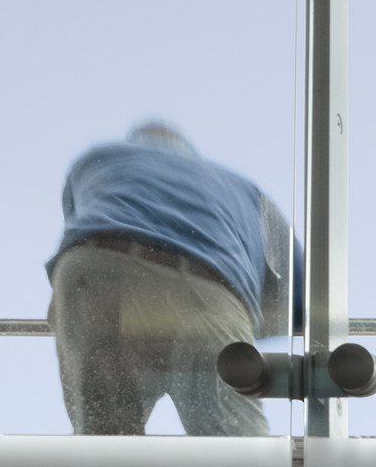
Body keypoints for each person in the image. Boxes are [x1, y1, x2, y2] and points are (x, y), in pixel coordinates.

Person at [49, 123, 297, 437]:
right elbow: (297, 296)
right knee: (238, 458)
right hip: (206, 285)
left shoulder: (97, 158)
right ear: (188, 150)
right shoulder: (245, 189)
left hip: (97, 271)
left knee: (107, 447)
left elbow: (82, 223)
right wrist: (240, 333)